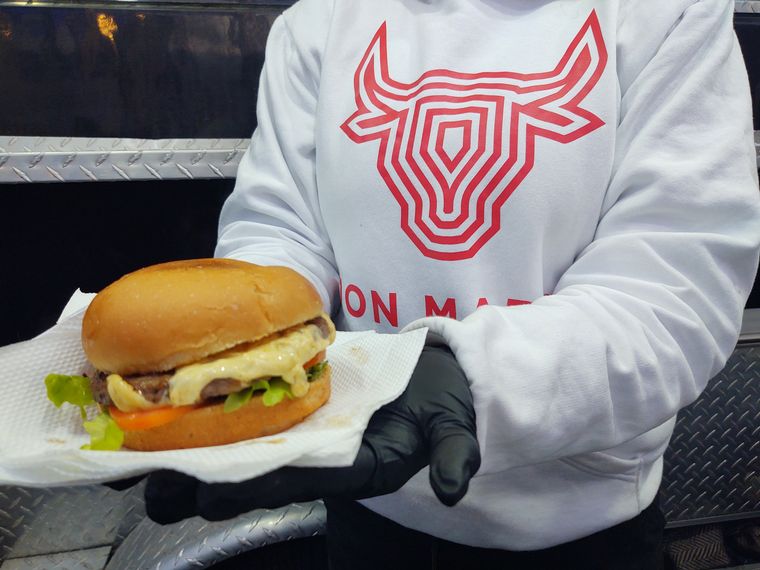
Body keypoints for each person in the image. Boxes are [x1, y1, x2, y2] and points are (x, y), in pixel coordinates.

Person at [142, 0, 760, 568]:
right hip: (365, 506)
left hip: (580, 535)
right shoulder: (320, 21)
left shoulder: (666, 13)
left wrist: (474, 379)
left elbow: (672, 289)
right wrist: (229, 364)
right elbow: (279, 228)